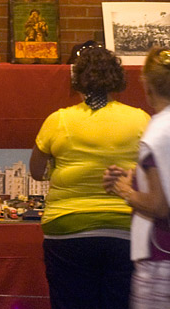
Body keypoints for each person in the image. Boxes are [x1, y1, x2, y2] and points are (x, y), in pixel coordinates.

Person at [30, 44, 150, 309]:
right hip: (125, 230)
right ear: (117, 79)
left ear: (78, 79)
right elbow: (152, 173)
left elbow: (36, 172)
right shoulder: (141, 119)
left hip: (66, 230)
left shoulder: (58, 120)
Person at [104, 47, 170, 308]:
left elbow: (159, 205)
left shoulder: (156, 133)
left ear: (148, 87)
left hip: (161, 258)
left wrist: (125, 190)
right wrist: (135, 178)